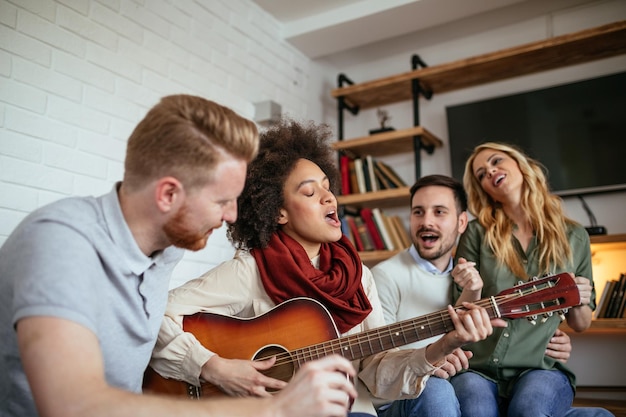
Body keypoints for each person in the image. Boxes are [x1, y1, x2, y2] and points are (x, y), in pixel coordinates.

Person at [0, 94, 372, 417]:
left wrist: (210, 366)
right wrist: (274, 408)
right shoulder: (61, 244)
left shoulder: (164, 250)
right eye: (222, 201)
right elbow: (72, 407)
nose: (231, 215)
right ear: (167, 195)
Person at [148, 119, 504, 414]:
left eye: (327, 187)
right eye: (309, 192)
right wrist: (214, 367)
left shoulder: (358, 275)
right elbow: (155, 315)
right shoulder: (252, 269)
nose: (329, 196)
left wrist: (441, 346)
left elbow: (376, 372)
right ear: (278, 211)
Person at [451, 142, 599, 417]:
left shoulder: (576, 236)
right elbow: (460, 308)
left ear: (521, 164)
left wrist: (581, 298)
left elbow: (581, 324)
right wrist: (472, 288)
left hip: (541, 367)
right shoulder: (476, 233)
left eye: (496, 161)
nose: (490, 172)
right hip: (479, 367)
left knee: (529, 410)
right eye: (481, 174)